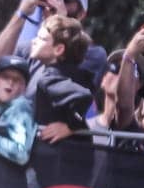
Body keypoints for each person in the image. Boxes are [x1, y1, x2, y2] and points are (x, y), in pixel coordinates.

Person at [25, 15, 93, 143]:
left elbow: (83, 95)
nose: (34, 41)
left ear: (59, 49)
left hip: (60, 155)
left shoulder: (49, 78)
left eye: (42, 39)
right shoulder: (77, 74)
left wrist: (71, 126)